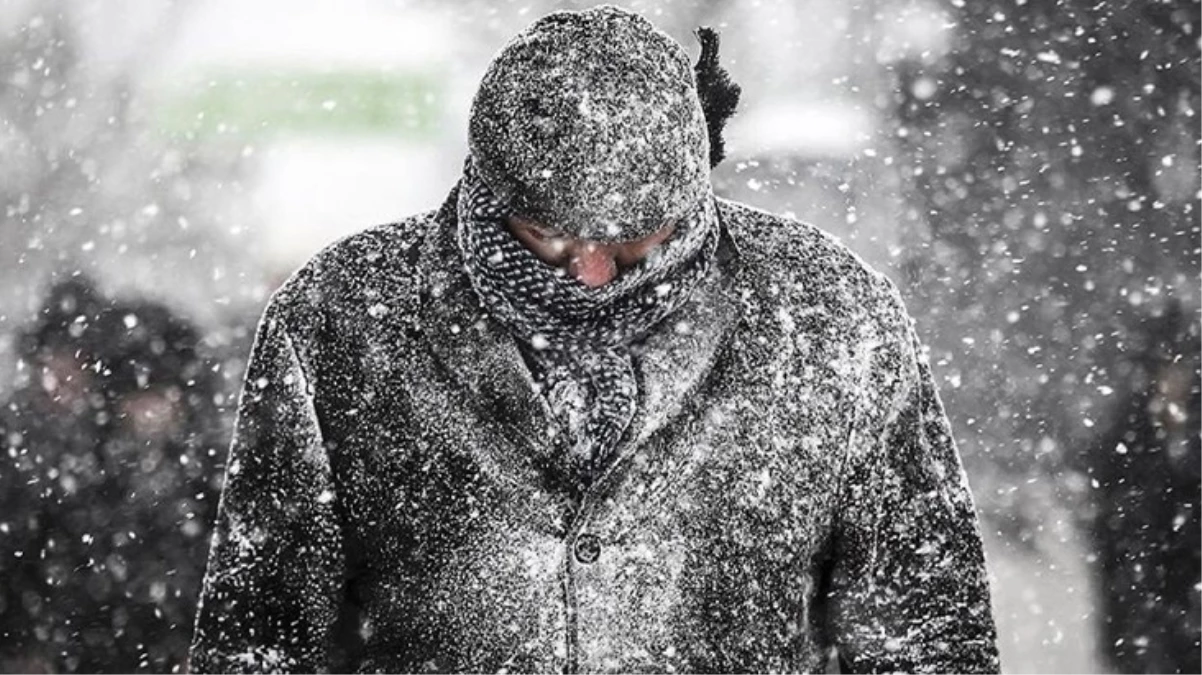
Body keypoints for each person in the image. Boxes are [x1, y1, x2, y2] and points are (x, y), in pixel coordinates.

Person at [190, 6, 1000, 673]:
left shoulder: (833, 320)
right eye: (546, 235)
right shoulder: (341, 319)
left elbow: (925, 632)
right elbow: (257, 638)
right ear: (486, 186)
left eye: (635, 240)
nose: (591, 274)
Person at [1, 279, 224, 673]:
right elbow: (52, 561)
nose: (149, 410)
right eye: (137, 395)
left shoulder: (209, 471)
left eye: (161, 392)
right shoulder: (84, 468)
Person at [1078, 301, 1202, 674]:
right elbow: (1110, 541)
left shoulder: (1184, 438)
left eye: (1183, 368)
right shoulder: (1125, 440)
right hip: (1142, 615)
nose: (1174, 381)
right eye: (1166, 367)